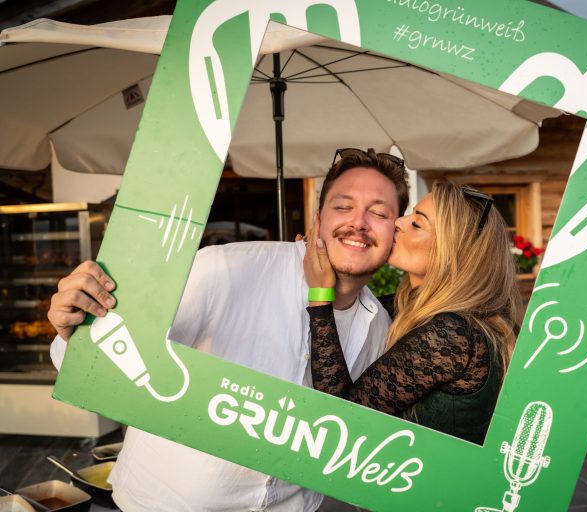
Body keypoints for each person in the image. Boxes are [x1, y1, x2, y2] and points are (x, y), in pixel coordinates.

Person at [47, 148, 409, 512]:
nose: (358, 222)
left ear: (394, 233)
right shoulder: (222, 268)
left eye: (379, 213)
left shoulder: (379, 326)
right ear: (317, 219)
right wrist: (76, 325)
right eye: (343, 206)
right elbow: (97, 368)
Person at [303, 181, 522, 444]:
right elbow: (355, 308)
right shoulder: (409, 305)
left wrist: (320, 293)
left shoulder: (454, 335)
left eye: (417, 224)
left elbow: (342, 418)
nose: (398, 222)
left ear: (452, 253)